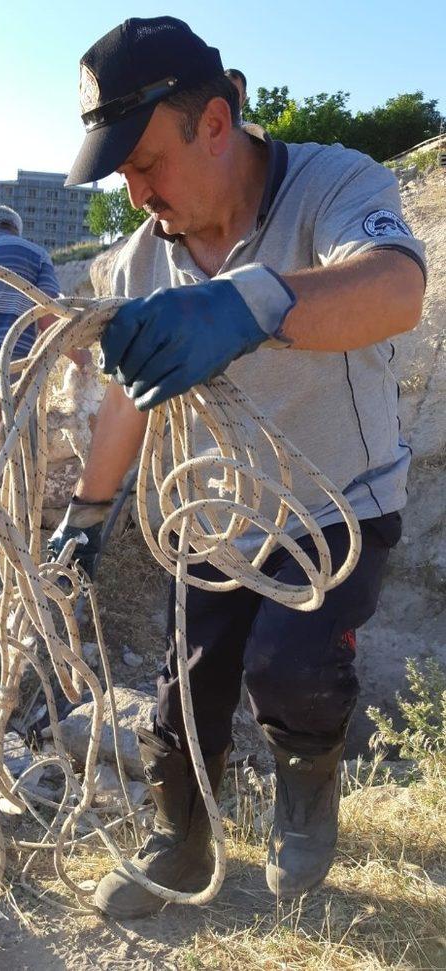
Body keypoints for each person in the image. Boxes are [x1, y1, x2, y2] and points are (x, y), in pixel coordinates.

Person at [50, 16, 426, 918]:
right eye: (121, 174)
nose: (136, 193)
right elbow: (122, 401)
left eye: (146, 163)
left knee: (290, 663)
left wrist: (254, 303)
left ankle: (307, 784)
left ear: (214, 123)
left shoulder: (334, 183)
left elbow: (395, 287)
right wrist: (89, 517)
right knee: (181, 696)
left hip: (338, 501)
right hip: (214, 517)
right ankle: (180, 842)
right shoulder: (141, 264)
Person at [0, 204, 88, 367]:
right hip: (14, 361)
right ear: (16, 229)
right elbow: (48, 319)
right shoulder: (38, 255)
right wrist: (79, 357)